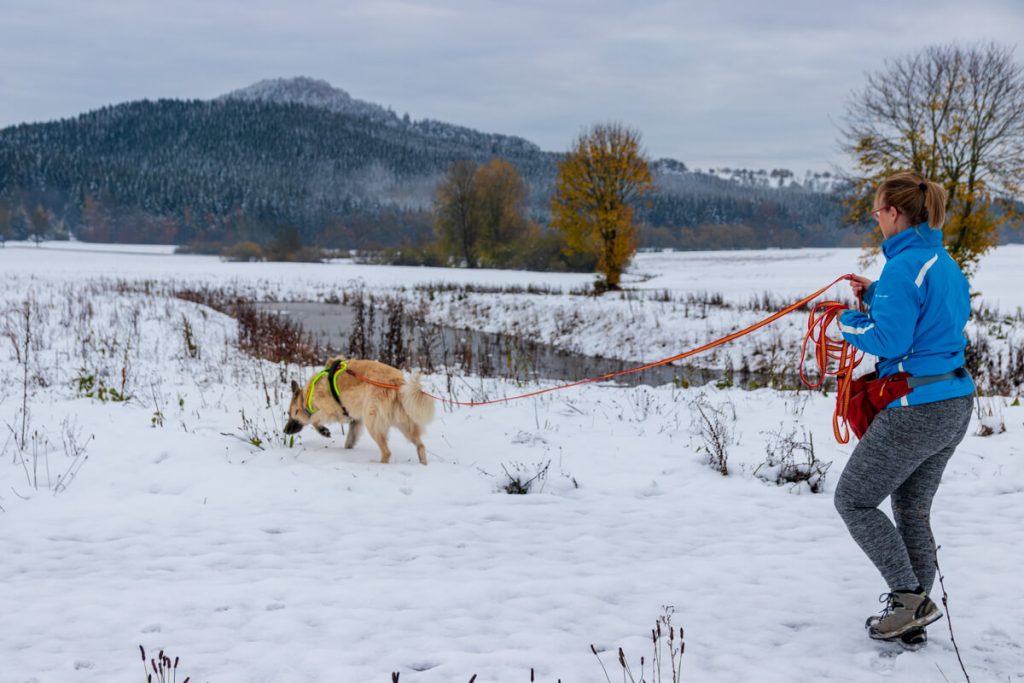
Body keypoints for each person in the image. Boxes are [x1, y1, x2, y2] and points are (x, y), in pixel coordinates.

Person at [833, 171, 976, 649]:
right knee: (912, 510)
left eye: (877, 210)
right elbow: (934, 311)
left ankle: (908, 600)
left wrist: (845, 323)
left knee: (852, 500)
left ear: (894, 213)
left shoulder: (902, 267)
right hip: (955, 403)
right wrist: (876, 295)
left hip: (918, 407)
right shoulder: (943, 261)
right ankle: (912, 614)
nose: (875, 218)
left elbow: (888, 339)